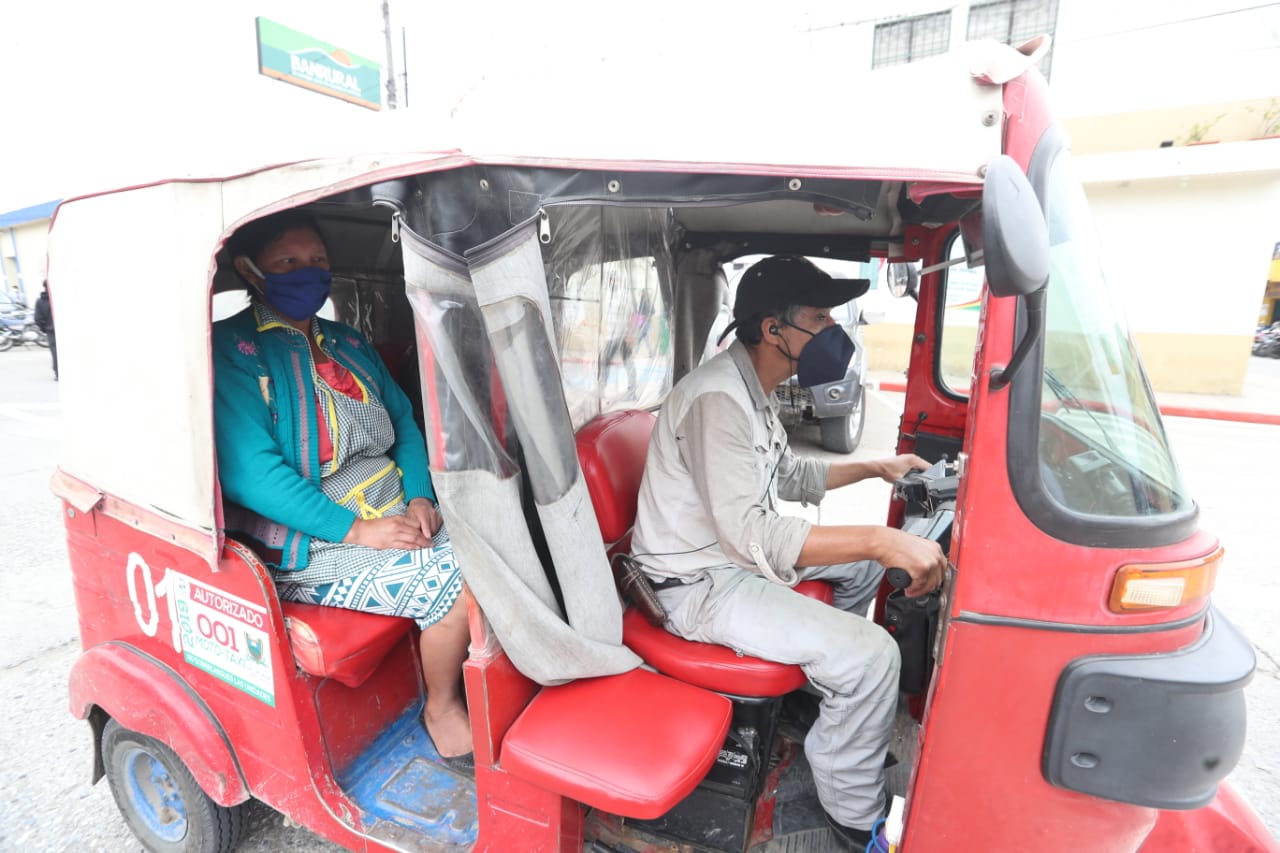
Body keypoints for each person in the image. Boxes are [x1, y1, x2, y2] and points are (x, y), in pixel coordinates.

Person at [630, 255, 947, 850]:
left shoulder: (754, 387)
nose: (834, 331)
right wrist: (881, 539)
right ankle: (855, 819)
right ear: (773, 330)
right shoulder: (718, 400)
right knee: (873, 654)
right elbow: (752, 534)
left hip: (729, 559)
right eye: (820, 317)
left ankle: (826, 696)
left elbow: (790, 474)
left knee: (858, 568)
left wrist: (878, 466)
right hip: (696, 585)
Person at [212, 211, 473, 768]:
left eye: (318, 262)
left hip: (399, 512)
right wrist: (358, 530)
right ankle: (443, 705)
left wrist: (421, 497)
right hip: (315, 544)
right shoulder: (232, 350)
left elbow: (403, 422)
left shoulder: (347, 341)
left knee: (505, 534)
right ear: (250, 270)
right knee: (460, 577)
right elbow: (251, 473)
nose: (308, 273)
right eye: (289, 263)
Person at [34, 281, 56, 380]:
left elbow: (38, 319)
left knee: (55, 352)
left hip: (51, 330)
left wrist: (45, 328)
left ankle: (58, 372)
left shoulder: (40, 301)